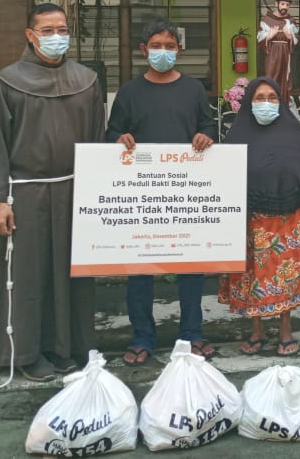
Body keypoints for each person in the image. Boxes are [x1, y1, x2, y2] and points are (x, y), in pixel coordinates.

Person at [0, 3, 105, 383]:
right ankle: (25, 354)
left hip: (74, 191)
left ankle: (67, 349)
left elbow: (97, 138)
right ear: (30, 36)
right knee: (27, 277)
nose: (56, 36)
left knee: (71, 275)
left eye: (62, 29)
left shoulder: (86, 80)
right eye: (47, 30)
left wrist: (98, 194)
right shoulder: (6, 82)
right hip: (25, 196)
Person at [106, 18, 219, 364]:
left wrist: (205, 136)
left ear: (179, 50)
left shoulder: (194, 89)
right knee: (140, 270)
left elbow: (208, 125)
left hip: (186, 192)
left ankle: (192, 334)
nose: (163, 52)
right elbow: (111, 133)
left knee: (191, 268)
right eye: (156, 46)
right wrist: (119, 139)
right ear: (144, 50)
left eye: (170, 46)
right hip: (143, 195)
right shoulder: (129, 92)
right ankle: (142, 337)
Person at [218, 77, 300, 356]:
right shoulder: (238, 133)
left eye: (272, 98)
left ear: (281, 102)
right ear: (249, 102)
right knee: (252, 275)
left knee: (284, 274)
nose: (266, 103)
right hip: (249, 218)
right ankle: (257, 330)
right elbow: (223, 175)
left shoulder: (292, 131)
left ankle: (286, 330)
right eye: (260, 98)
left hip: (288, 216)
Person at [259, 0, 300, 103]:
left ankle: (284, 105)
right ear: (276, 4)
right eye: (282, 4)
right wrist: (269, 36)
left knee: (285, 79)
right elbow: (259, 39)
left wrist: (289, 36)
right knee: (271, 76)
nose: (285, 7)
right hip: (272, 54)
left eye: (287, 5)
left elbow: (296, 39)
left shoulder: (291, 21)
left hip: (286, 54)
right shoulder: (267, 20)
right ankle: (271, 103)